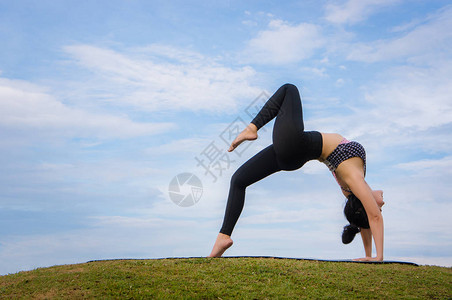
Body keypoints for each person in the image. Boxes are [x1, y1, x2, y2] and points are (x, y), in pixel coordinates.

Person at [208, 83, 385, 261]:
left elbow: (374, 217)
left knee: (289, 89)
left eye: (378, 206)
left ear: (366, 204)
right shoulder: (352, 191)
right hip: (293, 155)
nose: (382, 203)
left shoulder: (354, 180)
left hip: (295, 145)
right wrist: (368, 255)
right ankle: (223, 236)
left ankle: (252, 128)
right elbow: (367, 220)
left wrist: (379, 257)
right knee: (238, 180)